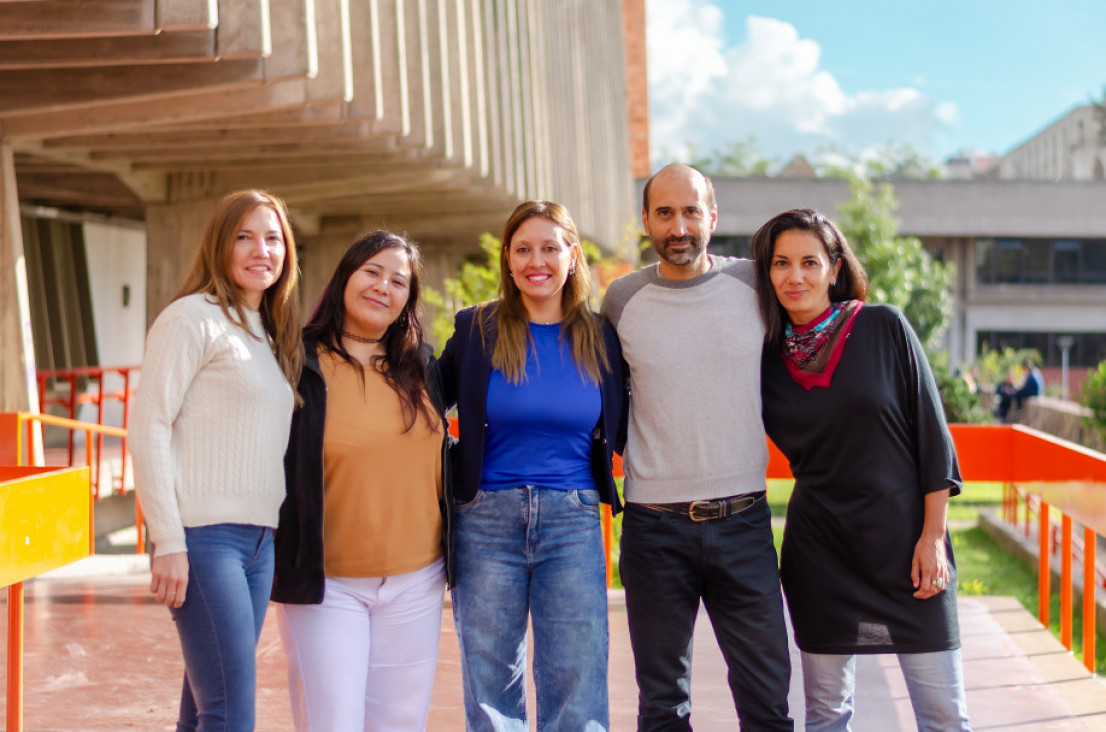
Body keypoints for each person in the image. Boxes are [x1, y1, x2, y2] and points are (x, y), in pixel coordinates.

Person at [751, 208, 972, 731]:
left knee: (944, 718)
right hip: (821, 556)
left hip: (907, 550)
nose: (795, 276)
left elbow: (933, 439)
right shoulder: (761, 359)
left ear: (834, 267)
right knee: (827, 716)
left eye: (809, 262)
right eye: (781, 263)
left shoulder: (883, 326)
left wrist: (933, 537)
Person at [600, 163, 793, 731]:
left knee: (766, 699)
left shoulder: (756, 285)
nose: (678, 226)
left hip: (744, 522)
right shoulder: (622, 298)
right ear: (646, 221)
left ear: (712, 216)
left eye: (690, 212)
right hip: (653, 529)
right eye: (664, 213)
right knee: (662, 704)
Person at [436, 200, 625, 731]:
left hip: (574, 519)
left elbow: (629, 420)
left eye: (549, 247)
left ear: (572, 256)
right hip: (485, 520)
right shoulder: (477, 330)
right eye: (523, 249)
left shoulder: (601, 335)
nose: (535, 261)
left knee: (577, 679)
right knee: (491, 682)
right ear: (508, 258)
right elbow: (423, 402)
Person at [129, 189, 303, 731]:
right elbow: (149, 424)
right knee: (230, 714)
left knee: (204, 710)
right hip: (203, 540)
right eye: (244, 237)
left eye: (272, 238)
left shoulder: (267, 333)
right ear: (219, 246)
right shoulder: (191, 318)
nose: (261, 250)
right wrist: (169, 541)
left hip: (258, 543)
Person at [272, 231, 450, 731]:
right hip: (327, 583)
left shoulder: (422, 367)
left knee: (401, 723)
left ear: (407, 301)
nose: (383, 287)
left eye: (399, 281)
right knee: (332, 723)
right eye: (372, 271)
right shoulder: (294, 362)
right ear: (345, 277)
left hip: (418, 579)